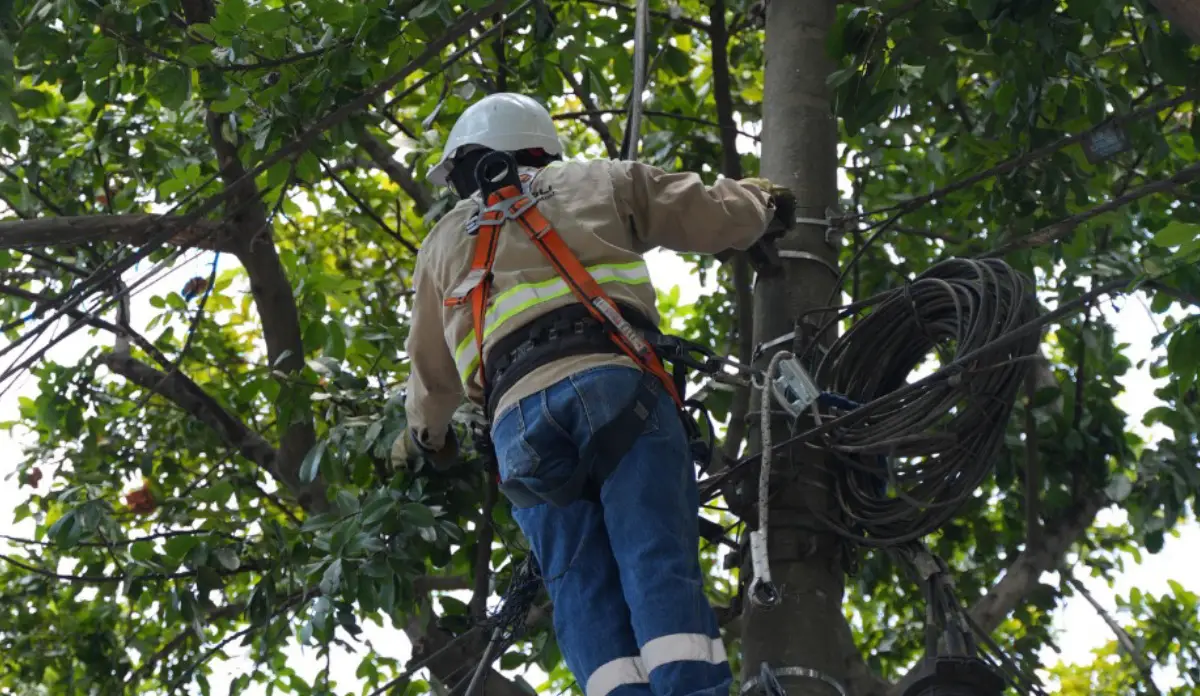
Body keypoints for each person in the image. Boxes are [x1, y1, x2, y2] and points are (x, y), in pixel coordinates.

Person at [391, 92, 795, 696]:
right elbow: (705, 210)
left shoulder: (444, 241)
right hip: (615, 387)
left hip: (518, 425)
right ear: (539, 145)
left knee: (579, 587)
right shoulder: (596, 180)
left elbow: (431, 376)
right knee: (653, 554)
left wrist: (426, 437)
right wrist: (764, 205)